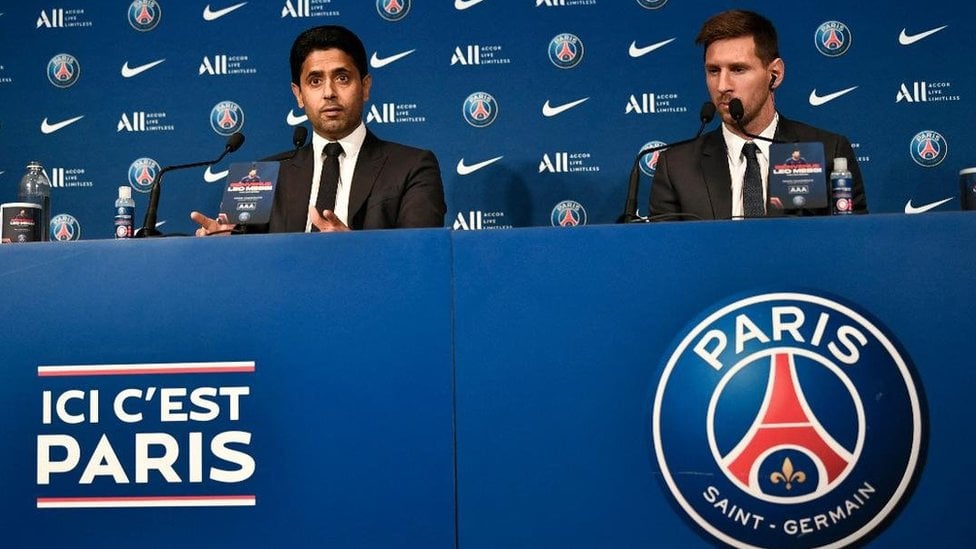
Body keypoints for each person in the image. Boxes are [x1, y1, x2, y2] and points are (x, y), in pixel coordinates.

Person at [192, 25, 445, 234]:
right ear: (298, 94)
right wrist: (225, 246)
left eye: (342, 77)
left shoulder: (412, 167)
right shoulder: (261, 177)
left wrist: (355, 249)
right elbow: (246, 264)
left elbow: (421, 256)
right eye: (315, 81)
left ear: (365, 87)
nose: (329, 93)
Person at [649, 10, 867, 220]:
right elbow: (667, 251)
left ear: (775, 74)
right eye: (713, 71)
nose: (722, 85)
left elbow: (850, 241)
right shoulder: (676, 167)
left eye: (738, 69)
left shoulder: (827, 151)